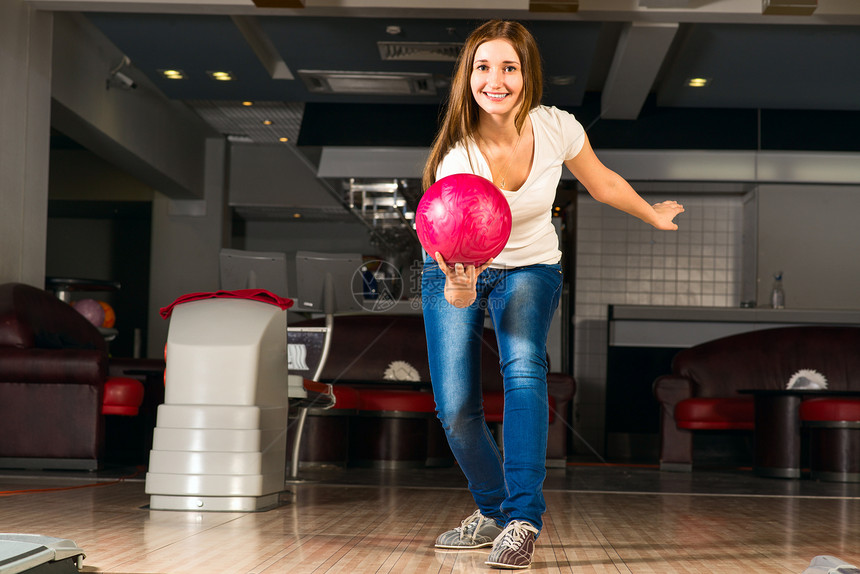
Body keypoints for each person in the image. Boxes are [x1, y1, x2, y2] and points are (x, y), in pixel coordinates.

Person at [420, 19, 684, 570]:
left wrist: (652, 214)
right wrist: (462, 285)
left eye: (508, 67)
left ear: (526, 75)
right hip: (456, 269)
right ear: (468, 77)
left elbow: (602, 181)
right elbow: (461, 289)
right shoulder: (457, 158)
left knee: (523, 369)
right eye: (483, 67)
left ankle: (521, 521)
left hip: (531, 266)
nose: (496, 80)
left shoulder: (556, 127)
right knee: (457, 410)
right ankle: (493, 510)